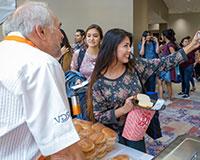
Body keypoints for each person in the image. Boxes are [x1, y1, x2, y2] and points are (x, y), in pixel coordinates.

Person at [87, 28, 200, 152]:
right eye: (125, 46)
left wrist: (193, 44)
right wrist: (123, 109)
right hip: (112, 137)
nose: (129, 50)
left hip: (136, 131)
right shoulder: (99, 82)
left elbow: (164, 62)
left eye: (129, 45)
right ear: (112, 48)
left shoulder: (134, 65)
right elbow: (99, 116)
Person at [0, 1, 84, 160]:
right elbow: (62, 149)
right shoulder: (41, 64)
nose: (61, 35)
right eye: (58, 27)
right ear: (41, 31)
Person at [157, 29, 179, 101]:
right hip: (164, 66)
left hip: (166, 66)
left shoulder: (170, 45)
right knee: (166, 82)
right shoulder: (166, 44)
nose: (161, 36)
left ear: (165, 36)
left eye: (162, 35)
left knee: (163, 82)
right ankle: (170, 97)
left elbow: (174, 56)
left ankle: (164, 98)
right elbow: (161, 53)